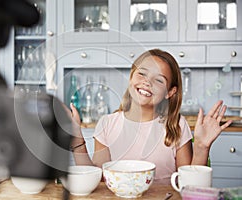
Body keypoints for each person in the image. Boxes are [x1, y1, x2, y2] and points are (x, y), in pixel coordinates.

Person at [69, 48, 232, 180]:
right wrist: (77, 139)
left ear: (170, 92)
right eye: (142, 73)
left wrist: (202, 148)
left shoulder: (177, 126)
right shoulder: (107, 124)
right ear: (131, 75)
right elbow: (98, 179)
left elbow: (189, 185)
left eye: (159, 80)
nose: (147, 82)